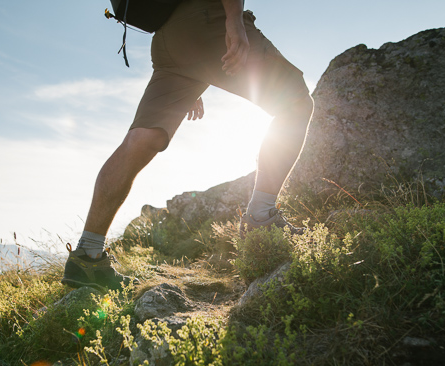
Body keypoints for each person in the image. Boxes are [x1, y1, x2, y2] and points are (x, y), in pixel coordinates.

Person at [61, 0, 314, 292]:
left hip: (169, 41)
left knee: (143, 137)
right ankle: (262, 217)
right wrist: (233, 20)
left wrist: (195, 73)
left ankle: (87, 254)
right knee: (295, 102)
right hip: (208, 18)